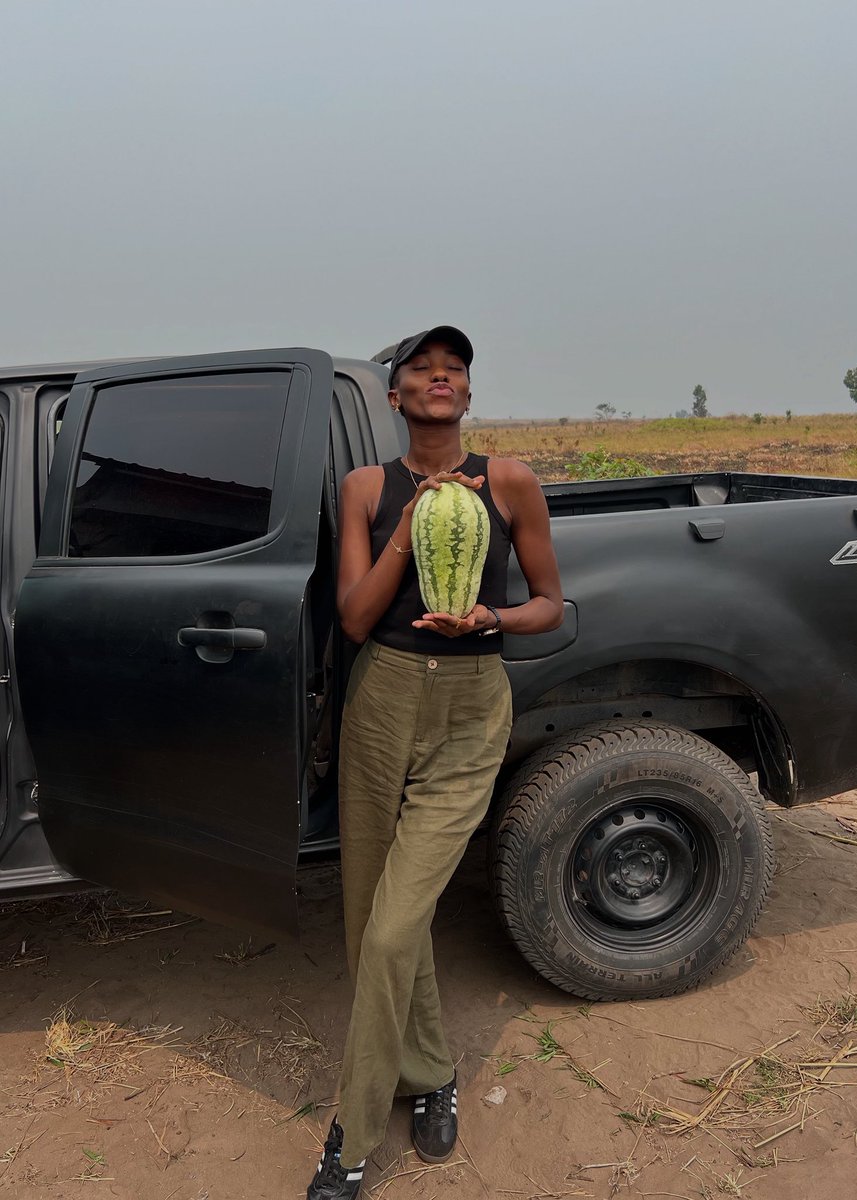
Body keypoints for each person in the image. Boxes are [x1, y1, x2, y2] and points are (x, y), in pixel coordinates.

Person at [307, 326, 563, 1200]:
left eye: (453, 367)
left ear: (467, 391)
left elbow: (551, 606)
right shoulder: (366, 488)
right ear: (395, 396)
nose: (439, 376)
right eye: (421, 368)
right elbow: (351, 618)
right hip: (380, 700)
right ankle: (437, 1073)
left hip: (468, 709)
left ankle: (352, 1132)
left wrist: (491, 618)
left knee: (391, 929)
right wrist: (406, 533)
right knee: (370, 920)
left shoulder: (509, 482)